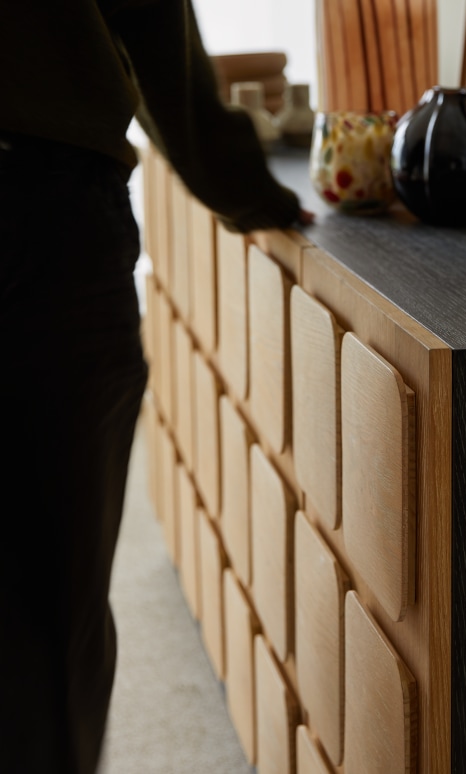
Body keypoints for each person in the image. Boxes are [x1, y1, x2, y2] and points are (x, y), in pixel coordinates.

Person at [0, 1, 312, 771]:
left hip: (43, 210)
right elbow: (150, 21)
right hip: (41, 215)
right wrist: (246, 189)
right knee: (46, 621)